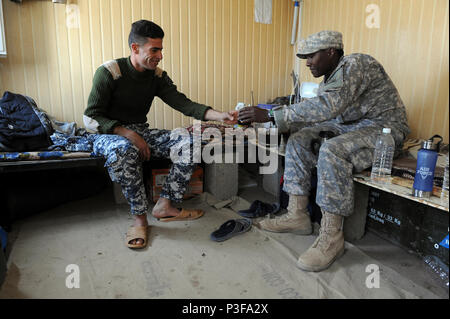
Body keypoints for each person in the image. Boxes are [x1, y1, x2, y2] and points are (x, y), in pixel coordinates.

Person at [238, 30, 410, 272]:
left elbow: (329, 106)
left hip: (384, 130)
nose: (307, 63)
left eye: (311, 56)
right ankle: (297, 215)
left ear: (331, 52)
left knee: (332, 150)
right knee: (299, 140)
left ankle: (332, 236)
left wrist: (271, 114)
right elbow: (320, 111)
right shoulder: (330, 80)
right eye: (305, 58)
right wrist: (284, 122)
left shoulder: (356, 64)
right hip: (351, 126)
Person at [84, 20, 236, 249]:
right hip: (108, 133)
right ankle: (139, 219)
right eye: (154, 50)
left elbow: (183, 103)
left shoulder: (156, 76)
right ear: (135, 48)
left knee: (189, 141)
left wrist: (220, 116)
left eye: (161, 49)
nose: (160, 56)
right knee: (124, 150)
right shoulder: (109, 72)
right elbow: (91, 118)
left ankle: (166, 205)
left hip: (139, 130)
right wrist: (126, 133)